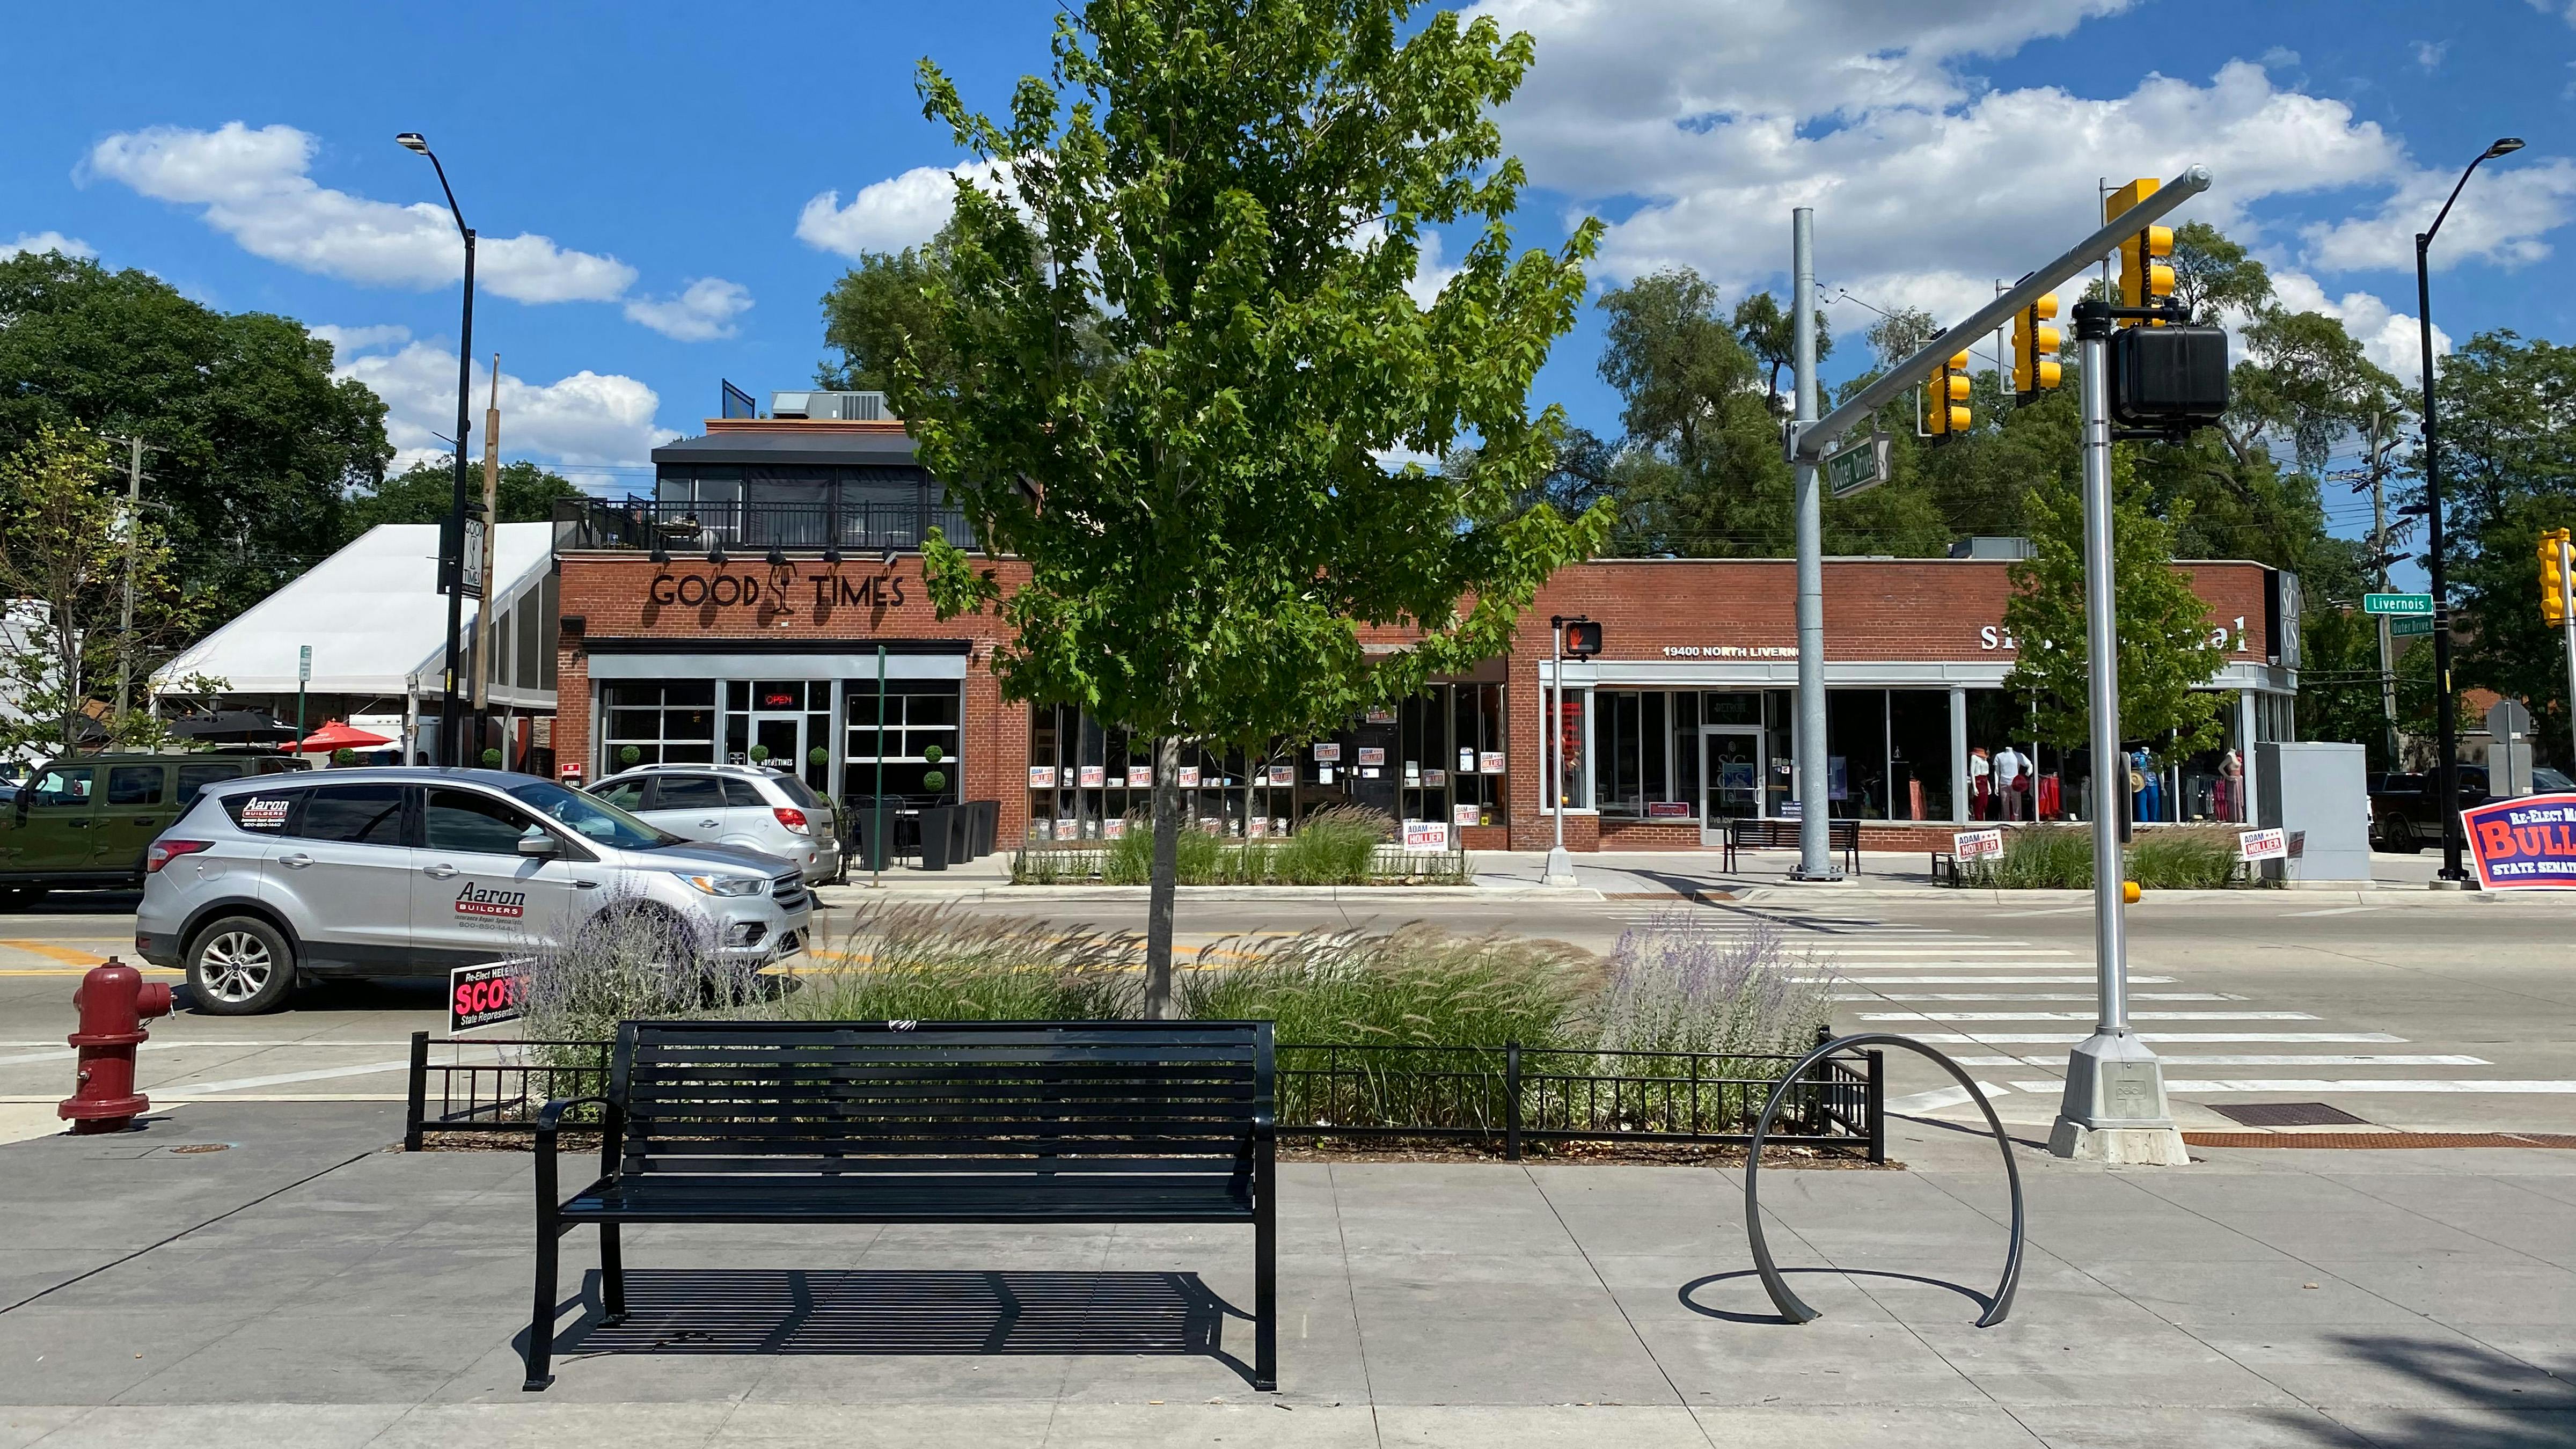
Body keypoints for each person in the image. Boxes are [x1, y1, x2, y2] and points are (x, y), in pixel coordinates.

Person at [1994, 745, 2026, 821]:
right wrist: (1996, 786)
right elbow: (1996, 771)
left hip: (2015, 783)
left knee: (2017, 803)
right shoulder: (1999, 756)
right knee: (2005, 804)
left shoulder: (2018, 755)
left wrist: (2026, 775)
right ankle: (2006, 820)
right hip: (2003, 783)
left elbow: (2029, 765)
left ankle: (2017, 821)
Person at [1968, 747, 1992, 820]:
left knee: (1985, 803)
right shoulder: (1974, 757)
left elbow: (1986, 776)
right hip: (1978, 781)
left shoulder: (1984, 760)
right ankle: (1979, 820)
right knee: (1979, 803)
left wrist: (1989, 786)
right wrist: (1974, 787)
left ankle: (1984, 820)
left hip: (1985, 781)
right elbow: (1972, 772)